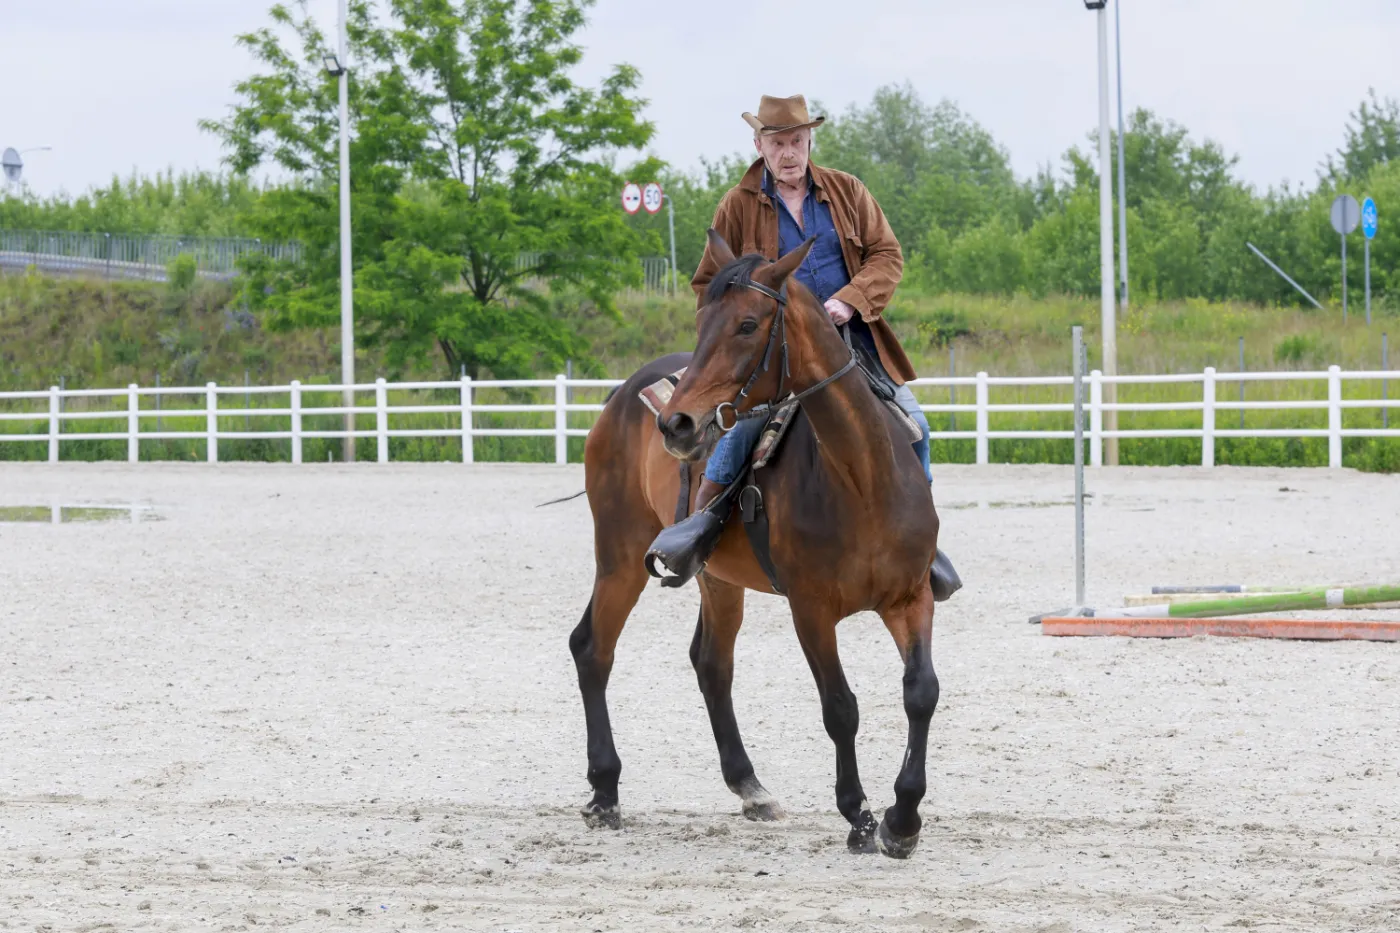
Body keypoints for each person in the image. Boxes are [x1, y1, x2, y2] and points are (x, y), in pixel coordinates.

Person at [654, 93, 961, 601]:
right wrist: (738, 328)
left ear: (809, 140)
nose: (789, 152)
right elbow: (711, 283)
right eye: (777, 143)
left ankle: (922, 543)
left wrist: (849, 300)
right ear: (759, 145)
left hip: (847, 343)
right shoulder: (737, 204)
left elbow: (886, 254)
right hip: (770, 352)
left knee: (916, 427)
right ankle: (702, 527)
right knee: (738, 434)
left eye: (796, 141)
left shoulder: (847, 191)